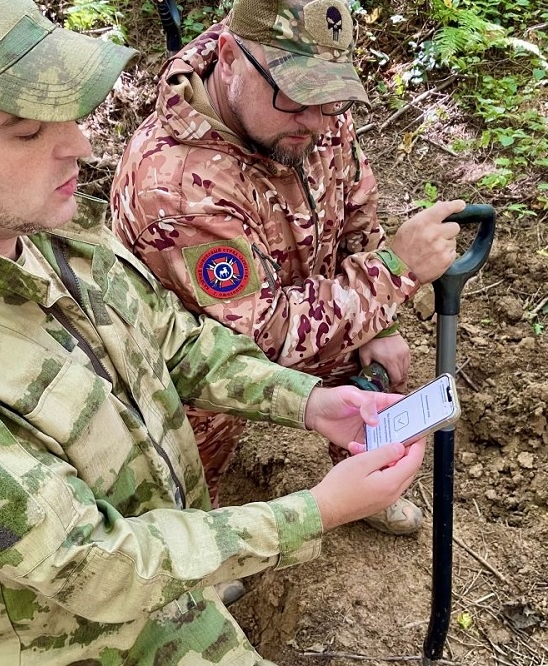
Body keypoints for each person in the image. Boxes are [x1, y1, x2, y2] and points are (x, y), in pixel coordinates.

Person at [0, 0, 427, 664]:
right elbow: (93, 564)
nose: (81, 145)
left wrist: (307, 402)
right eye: (24, 130)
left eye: (67, 113)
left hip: (189, 582)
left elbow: (173, 339)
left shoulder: (40, 224)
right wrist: (315, 511)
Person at [110, 0, 465, 537]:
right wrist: (393, 273)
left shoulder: (303, 108)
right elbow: (257, 344)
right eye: (299, 97)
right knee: (195, 441)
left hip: (308, 299)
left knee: (370, 367)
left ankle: (362, 480)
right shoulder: (176, 186)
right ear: (229, 57)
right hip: (200, 352)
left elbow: (354, 206)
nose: (319, 123)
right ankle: (198, 542)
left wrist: (379, 318)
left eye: (333, 99)